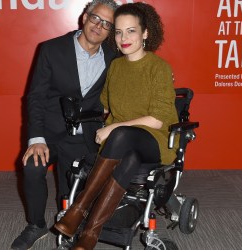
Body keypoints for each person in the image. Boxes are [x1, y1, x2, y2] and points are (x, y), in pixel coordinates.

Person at [54, 2, 178, 249]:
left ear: (145, 33)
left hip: (155, 140)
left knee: (121, 134)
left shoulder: (159, 68)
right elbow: (106, 104)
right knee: (129, 157)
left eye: (131, 31)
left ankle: (79, 208)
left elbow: (158, 118)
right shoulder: (116, 66)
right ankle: (90, 233)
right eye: (119, 32)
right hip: (125, 146)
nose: (123, 38)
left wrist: (112, 129)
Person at [11, 1, 118, 249]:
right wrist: (36, 138)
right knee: (32, 168)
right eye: (95, 18)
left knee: (73, 189)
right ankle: (36, 224)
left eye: (107, 24)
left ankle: (70, 223)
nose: (98, 26)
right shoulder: (51, 49)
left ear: (111, 31)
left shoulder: (114, 58)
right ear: (84, 17)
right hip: (49, 130)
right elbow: (36, 96)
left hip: (84, 136)